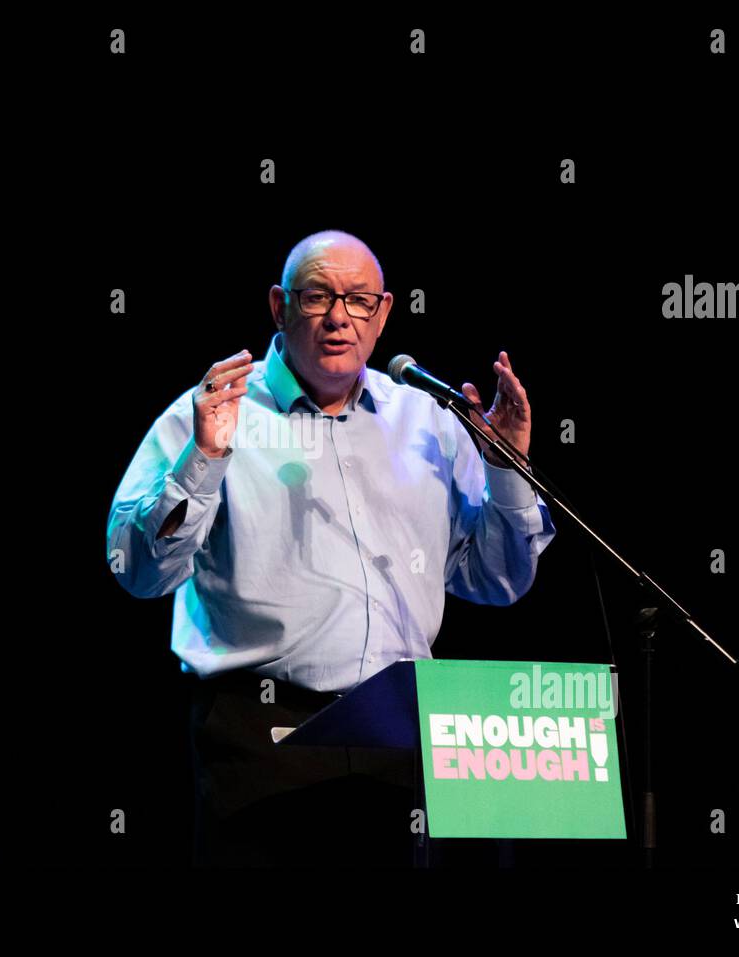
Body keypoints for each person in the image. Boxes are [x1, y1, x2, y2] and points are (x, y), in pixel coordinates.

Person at [106, 230, 556, 865]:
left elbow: (499, 580)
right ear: (279, 307)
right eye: (317, 296)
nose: (339, 317)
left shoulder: (425, 420)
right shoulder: (208, 414)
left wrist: (509, 467)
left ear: (384, 314)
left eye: (359, 300)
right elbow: (139, 572)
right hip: (263, 738)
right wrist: (204, 459)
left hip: (401, 738)